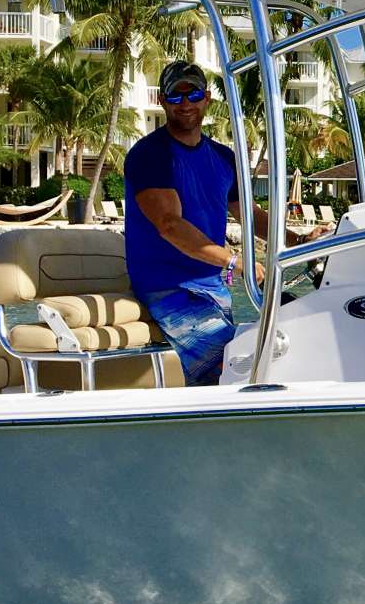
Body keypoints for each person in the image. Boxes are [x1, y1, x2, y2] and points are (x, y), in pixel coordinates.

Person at [125, 61, 292, 386]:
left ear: (207, 99)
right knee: (231, 365)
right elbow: (169, 224)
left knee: (252, 356)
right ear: (162, 100)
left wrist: (298, 241)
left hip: (213, 287)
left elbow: (250, 215)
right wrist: (234, 261)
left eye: (193, 94)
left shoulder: (223, 157)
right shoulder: (150, 155)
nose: (185, 104)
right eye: (176, 97)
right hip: (168, 288)